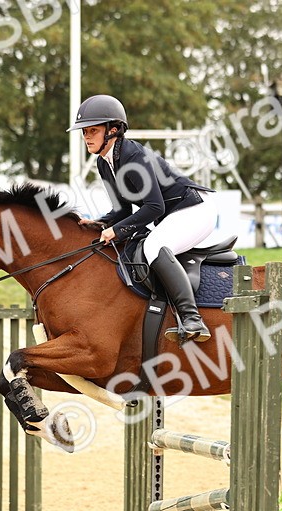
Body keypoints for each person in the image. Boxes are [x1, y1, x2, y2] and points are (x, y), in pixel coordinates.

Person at [71, 94, 215, 343]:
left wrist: (116, 231)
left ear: (113, 130)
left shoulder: (132, 156)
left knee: (154, 247)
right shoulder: (105, 163)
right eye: (84, 132)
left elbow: (154, 207)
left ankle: (193, 319)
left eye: (92, 130)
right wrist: (98, 223)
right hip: (174, 212)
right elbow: (122, 211)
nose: (86, 137)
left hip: (195, 209)